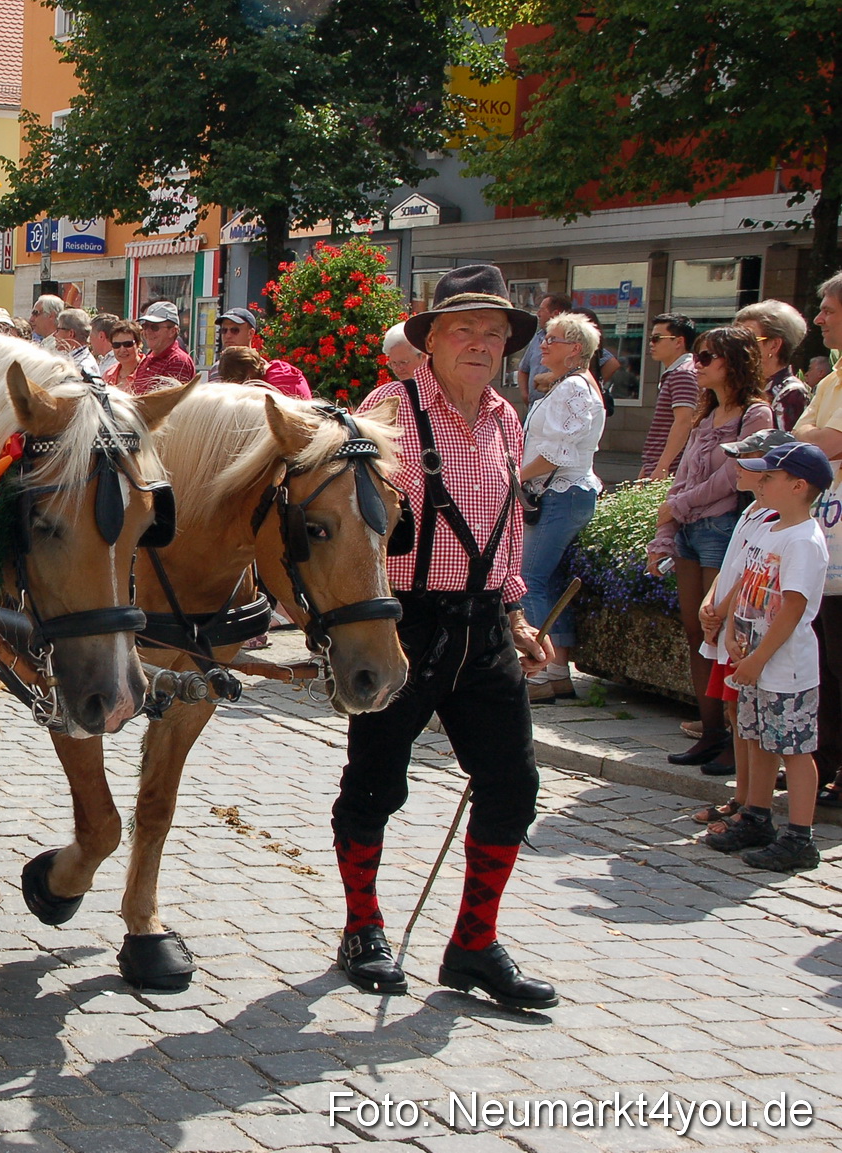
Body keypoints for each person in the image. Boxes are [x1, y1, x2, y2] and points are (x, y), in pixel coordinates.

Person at [339, 264, 557, 1011]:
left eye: (494, 333)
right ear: (430, 339)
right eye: (463, 328)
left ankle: (474, 943)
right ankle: (362, 925)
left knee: (513, 784)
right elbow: (360, 517)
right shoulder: (391, 405)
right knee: (375, 780)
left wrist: (519, 614)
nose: (480, 343)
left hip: (484, 623)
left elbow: (508, 526)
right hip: (406, 618)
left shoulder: (505, 416)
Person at [647, 326, 773, 774]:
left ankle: (733, 740)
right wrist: (664, 532)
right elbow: (684, 474)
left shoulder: (756, 415)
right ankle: (710, 731)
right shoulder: (706, 415)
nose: (697, 365)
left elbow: (733, 476)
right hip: (688, 532)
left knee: (721, 633)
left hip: (723, 529)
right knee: (695, 633)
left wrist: (676, 505)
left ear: (732, 362)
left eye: (706, 357)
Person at [705, 442, 833, 872]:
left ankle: (800, 836)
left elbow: (793, 607)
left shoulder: (803, 540)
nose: (760, 481)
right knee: (759, 739)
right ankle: (756, 815)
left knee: (794, 748)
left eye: (770, 477)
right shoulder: (768, 526)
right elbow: (746, 584)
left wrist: (759, 658)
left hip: (785, 667)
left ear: (798, 486)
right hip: (753, 661)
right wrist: (737, 640)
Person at [518, 310, 607, 702]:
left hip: (559, 492)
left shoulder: (573, 389)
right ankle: (556, 672)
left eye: (551, 338)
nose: (543, 344)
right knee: (550, 582)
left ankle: (537, 675)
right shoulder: (572, 383)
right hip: (567, 492)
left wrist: (514, 476)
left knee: (530, 579)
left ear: (574, 349)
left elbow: (556, 452)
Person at [791, 273, 842, 808]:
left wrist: (810, 442)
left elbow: (823, 441)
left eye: (828, 309)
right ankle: (823, 763)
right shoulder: (829, 380)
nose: (820, 318)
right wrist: (810, 442)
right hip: (828, 542)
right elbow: (800, 442)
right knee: (825, 665)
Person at [640, 313, 700, 479]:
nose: (651, 344)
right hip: (661, 464)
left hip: (672, 469)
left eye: (657, 338)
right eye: (651, 338)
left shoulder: (683, 374)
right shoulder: (679, 371)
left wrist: (663, 466)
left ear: (679, 342)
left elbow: (684, 422)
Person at [734, 299, 809, 431]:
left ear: (774, 345)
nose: (738, 347)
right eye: (735, 340)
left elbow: (785, 447)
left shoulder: (790, 393)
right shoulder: (740, 385)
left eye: (747, 340)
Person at [516, 293, 571, 407]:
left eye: (541, 310)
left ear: (555, 313)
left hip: (557, 406)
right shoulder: (537, 337)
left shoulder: (572, 340)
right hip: (534, 406)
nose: (538, 314)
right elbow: (523, 369)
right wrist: (525, 395)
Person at [130, 300, 195, 394]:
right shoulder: (148, 358)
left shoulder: (178, 361)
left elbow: (167, 404)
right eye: (145, 326)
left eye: (154, 327)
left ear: (172, 331)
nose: (148, 331)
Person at [52, 307, 101, 378]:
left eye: (58, 330)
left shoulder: (83, 367)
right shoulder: (72, 359)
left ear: (71, 333)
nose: (54, 335)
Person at [103, 318, 143, 391]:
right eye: (116, 345)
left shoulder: (148, 372)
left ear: (138, 344)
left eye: (128, 344)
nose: (122, 349)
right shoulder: (108, 374)